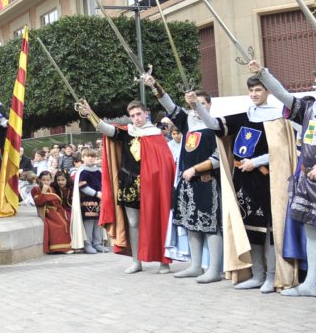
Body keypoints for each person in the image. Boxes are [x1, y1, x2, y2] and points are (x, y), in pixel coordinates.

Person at [249, 59, 316, 309]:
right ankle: (312, 284)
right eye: (315, 83)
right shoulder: (310, 108)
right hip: (309, 181)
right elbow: (282, 95)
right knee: (312, 234)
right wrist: (262, 74)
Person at [190, 75, 298, 293]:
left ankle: (271, 276)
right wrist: (196, 105)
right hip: (242, 180)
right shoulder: (242, 117)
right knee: (251, 230)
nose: (254, 94)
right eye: (251, 91)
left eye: (258, 90)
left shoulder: (279, 119)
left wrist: (256, 161)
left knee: (269, 231)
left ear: (267, 91)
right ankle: (257, 275)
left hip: (268, 180)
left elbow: (284, 150)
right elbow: (213, 125)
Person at [80, 98, 174, 275]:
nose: (136, 118)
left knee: (157, 220)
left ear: (146, 114)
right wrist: (90, 114)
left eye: (139, 114)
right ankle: (136, 261)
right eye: (132, 115)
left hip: (153, 187)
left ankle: (163, 261)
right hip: (130, 185)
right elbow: (105, 128)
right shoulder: (127, 132)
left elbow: (165, 164)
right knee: (133, 223)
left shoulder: (156, 134)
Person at [147, 77, 224, 284]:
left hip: (209, 182)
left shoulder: (217, 125)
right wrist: (154, 85)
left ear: (209, 104)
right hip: (187, 183)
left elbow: (220, 158)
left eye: (201, 104)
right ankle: (196, 265)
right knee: (191, 223)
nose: (197, 108)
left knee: (211, 225)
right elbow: (169, 105)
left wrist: (197, 169)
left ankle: (215, 269)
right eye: (193, 104)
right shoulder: (188, 122)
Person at [32, 171, 72, 255]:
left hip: (56, 210)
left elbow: (56, 201)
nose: (46, 182)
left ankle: (66, 246)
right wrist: (43, 192)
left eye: (48, 180)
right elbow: (38, 202)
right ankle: (59, 248)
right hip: (46, 212)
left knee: (66, 222)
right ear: (39, 180)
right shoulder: (35, 189)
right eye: (43, 180)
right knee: (60, 225)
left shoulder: (52, 188)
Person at [77, 148, 106, 254]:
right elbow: (83, 186)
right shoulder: (82, 171)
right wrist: (96, 193)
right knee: (88, 223)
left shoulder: (98, 171)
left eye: (93, 156)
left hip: (99, 201)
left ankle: (97, 243)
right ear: (83, 158)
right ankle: (88, 244)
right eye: (88, 156)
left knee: (98, 222)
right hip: (87, 200)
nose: (90, 158)